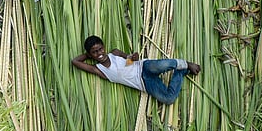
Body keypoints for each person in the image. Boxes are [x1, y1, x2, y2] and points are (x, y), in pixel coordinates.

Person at [72, 35, 201, 105]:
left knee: (162, 65)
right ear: (90, 55)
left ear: (104, 47)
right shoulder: (99, 70)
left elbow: (128, 60)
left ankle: (185, 64)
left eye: (100, 49)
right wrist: (87, 54)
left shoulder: (114, 53)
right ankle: (181, 71)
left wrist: (133, 57)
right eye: (94, 52)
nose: (99, 53)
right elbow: (75, 61)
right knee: (168, 99)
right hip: (145, 84)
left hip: (143, 67)